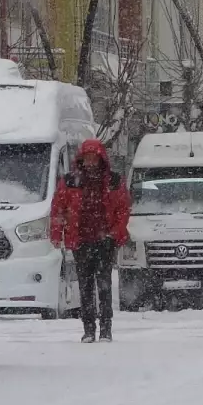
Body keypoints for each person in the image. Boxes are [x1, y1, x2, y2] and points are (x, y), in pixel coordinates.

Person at [50, 139, 130, 342]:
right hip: (81, 240)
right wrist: (56, 233)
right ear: (82, 159)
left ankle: (105, 328)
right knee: (85, 286)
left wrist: (115, 232)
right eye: (87, 158)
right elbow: (59, 209)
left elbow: (122, 209)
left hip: (104, 241)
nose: (91, 162)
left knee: (103, 285)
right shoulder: (70, 181)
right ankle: (88, 328)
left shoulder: (113, 181)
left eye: (94, 158)